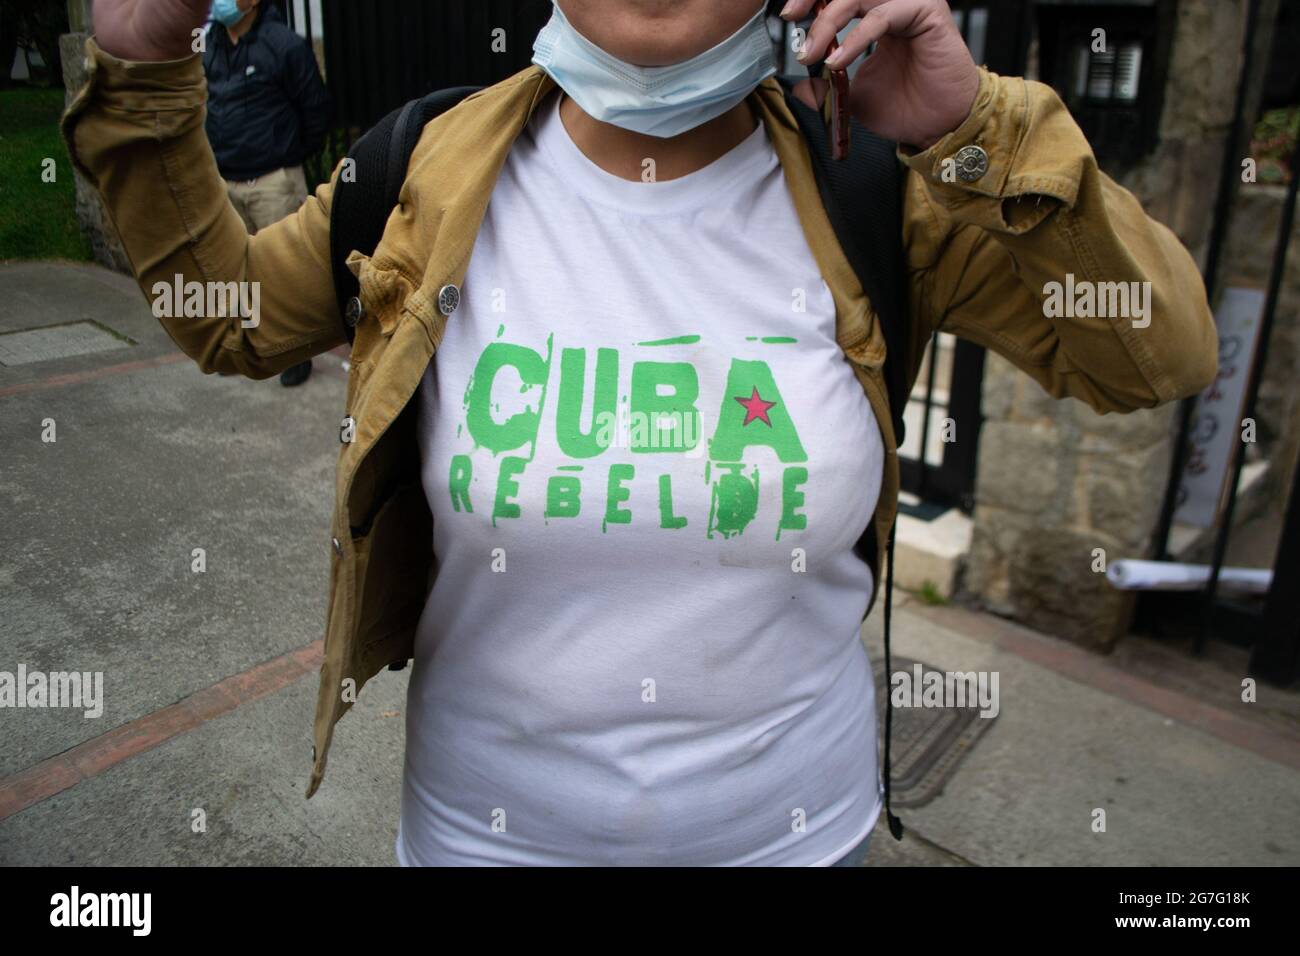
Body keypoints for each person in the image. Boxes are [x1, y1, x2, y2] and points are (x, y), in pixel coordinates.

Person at [65, 0, 1218, 866]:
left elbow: (1157, 354)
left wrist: (978, 128)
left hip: (797, 842)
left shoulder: (878, 187)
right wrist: (141, 77)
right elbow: (235, 322)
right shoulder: (422, 169)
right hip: (483, 839)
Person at [203, 0, 328, 387]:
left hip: (273, 181)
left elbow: (315, 110)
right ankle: (256, 345)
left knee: (288, 273)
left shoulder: (285, 45)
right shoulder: (211, 44)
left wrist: (287, 158)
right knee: (238, 272)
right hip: (227, 182)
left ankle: (298, 354)